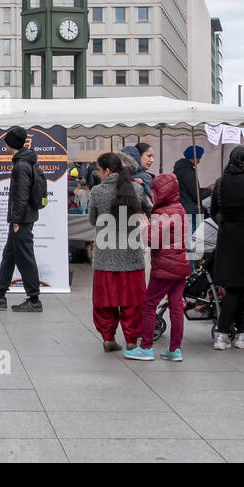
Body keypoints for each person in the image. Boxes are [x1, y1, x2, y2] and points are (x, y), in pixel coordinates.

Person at [84, 150, 149, 348]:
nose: (98, 174)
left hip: (106, 256)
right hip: (131, 255)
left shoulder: (97, 192)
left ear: (107, 170)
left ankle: (108, 338)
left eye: (99, 171)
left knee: (105, 301)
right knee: (132, 301)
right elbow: (149, 209)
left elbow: (93, 220)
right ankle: (131, 340)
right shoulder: (136, 190)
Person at [0, 127, 43, 313]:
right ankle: (0, 295)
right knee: (9, 256)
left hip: (21, 220)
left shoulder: (21, 165)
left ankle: (34, 299)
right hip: (22, 218)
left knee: (25, 258)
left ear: (10, 143)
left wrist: (16, 221)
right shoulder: (27, 162)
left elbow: (21, 196)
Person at [209, 145, 244, 350]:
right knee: (236, 287)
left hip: (226, 238)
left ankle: (243, 333)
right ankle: (222, 333)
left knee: (235, 286)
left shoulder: (221, 182)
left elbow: (214, 210)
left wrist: (227, 223)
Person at [130, 172, 187, 361]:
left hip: (164, 266)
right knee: (176, 307)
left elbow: (152, 241)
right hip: (180, 265)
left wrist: (144, 227)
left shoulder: (163, 213)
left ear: (161, 192)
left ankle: (146, 347)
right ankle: (175, 349)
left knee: (148, 305)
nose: (152, 195)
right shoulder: (180, 208)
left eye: (154, 191)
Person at [172, 145, 202, 216]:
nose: (199, 161)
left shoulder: (179, 168)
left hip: (181, 206)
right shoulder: (188, 171)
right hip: (190, 209)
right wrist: (209, 190)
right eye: (199, 157)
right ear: (195, 157)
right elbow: (195, 194)